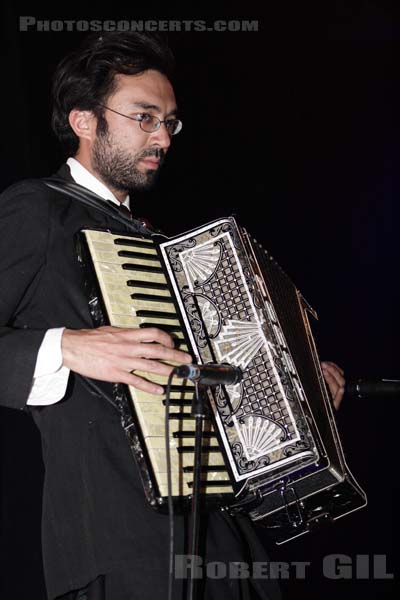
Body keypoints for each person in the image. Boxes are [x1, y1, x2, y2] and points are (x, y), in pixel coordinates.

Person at [0, 32, 345, 600]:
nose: (162, 136)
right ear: (85, 121)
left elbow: (207, 381)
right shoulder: (38, 208)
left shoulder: (160, 245)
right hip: (121, 539)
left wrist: (296, 391)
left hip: (225, 535)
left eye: (169, 122)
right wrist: (64, 346)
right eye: (145, 117)